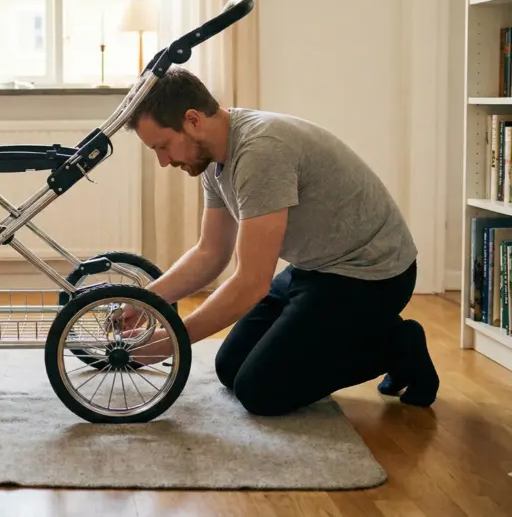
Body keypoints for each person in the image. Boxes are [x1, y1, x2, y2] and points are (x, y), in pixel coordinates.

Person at [118, 66, 439, 416]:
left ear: (192, 120)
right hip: (313, 269)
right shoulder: (213, 160)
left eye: (162, 146)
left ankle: (398, 344)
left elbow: (251, 283)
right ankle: (355, 333)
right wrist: (146, 301)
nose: (163, 161)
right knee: (230, 368)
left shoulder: (260, 152)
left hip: (370, 275)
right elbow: (210, 253)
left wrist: (172, 343)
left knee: (260, 391)